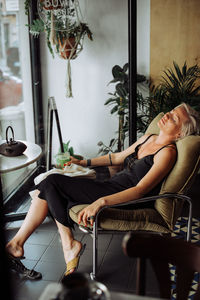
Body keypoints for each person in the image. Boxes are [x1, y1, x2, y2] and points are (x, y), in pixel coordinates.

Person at [6, 103, 200, 279]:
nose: (167, 115)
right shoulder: (150, 137)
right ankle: (32, 244)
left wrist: (101, 202)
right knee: (51, 187)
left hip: (124, 197)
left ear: (180, 134)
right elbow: (116, 158)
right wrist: (81, 162)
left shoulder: (167, 153)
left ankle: (64, 245)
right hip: (111, 185)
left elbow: (140, 190)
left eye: (174, 118)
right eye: (171, 111)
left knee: (51, 183)